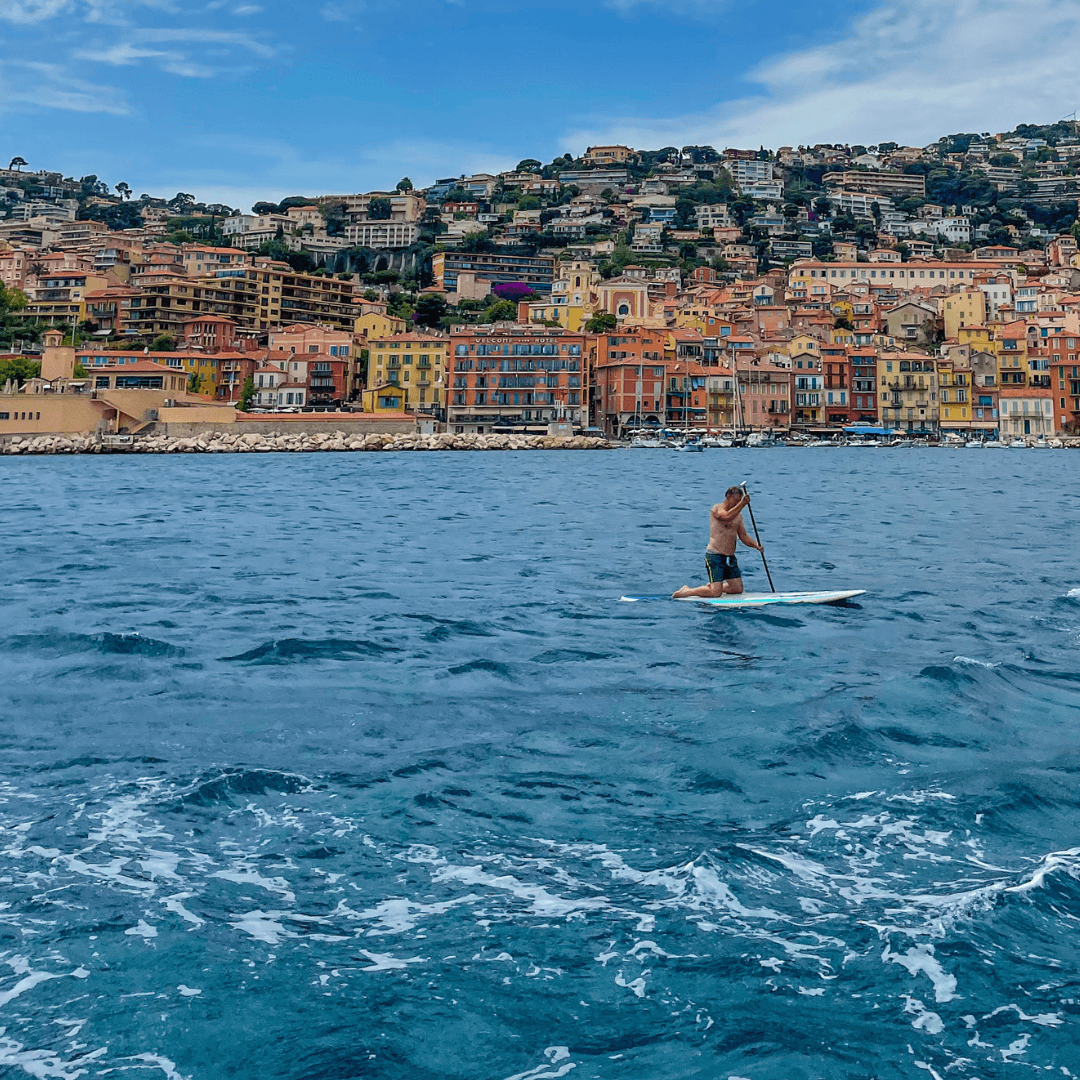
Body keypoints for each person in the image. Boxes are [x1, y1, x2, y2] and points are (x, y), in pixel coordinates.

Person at [672, 486, 763, 599]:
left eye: (739, 501)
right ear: (728, 497)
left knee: (737, 589)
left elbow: (743, 536)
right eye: (735, 501)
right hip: (715, 556)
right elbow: (726, 517)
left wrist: (756, 546)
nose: (737, 504)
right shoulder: (716, 509)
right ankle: (687, 591)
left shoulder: (738, 517)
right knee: (716, 594)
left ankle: (713, 586)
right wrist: (743, 504)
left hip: (730, 558)